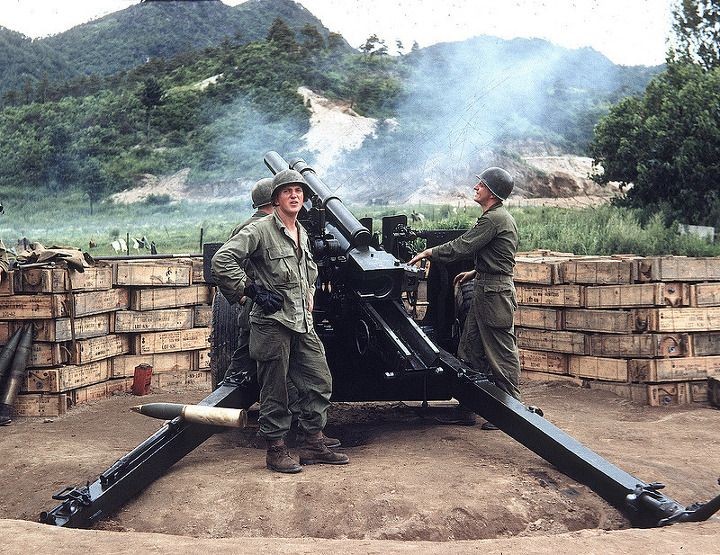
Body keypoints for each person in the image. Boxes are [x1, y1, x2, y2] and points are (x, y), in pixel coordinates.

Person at [212, 169, 348, 473]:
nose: (294, 196)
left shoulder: (301, 232)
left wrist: (309, 292)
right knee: (275, 389)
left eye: (298, 191)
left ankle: (313, 443)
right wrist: (251, 290)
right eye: (287, 191)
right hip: (272, 323)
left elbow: (309, 269)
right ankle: (276, 449)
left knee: (318, 380)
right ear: (276, 199)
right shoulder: (260, 230)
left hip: (301, 321)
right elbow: (222, 260)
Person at [408, 167, 521, 430]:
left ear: (492, 192)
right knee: (470, 350)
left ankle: (512, 412)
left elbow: (463, 246)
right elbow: (497, 254)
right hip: (486, 290)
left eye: (481, 184)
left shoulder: (494, 219)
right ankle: (469, 406)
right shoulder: (495, 217)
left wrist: (429, 252)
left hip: (494, 294)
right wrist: (475, 272)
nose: (476, 187)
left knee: (500, 352)